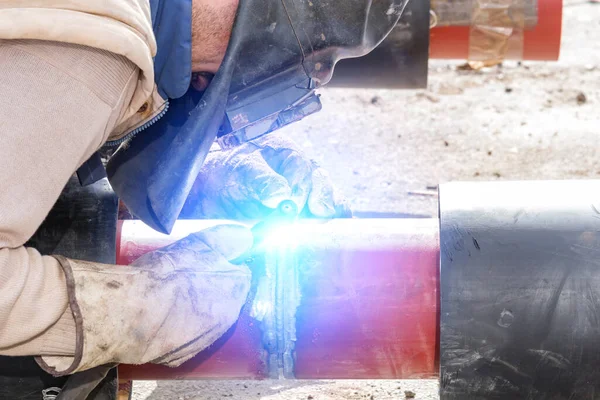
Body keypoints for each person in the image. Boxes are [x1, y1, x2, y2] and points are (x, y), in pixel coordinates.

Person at [0, 0, 403, 377]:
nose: (322, 73)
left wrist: (201, 175)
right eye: (315, 45)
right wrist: (140, 310)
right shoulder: (94, 46)